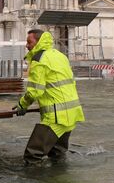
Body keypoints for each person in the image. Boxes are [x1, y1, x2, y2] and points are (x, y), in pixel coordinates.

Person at [14, 29, 85, 165]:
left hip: (55, 117)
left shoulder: (39, 60)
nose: (26, 45)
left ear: (38, 42)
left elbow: (35, 91)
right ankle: (59, 182)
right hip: (71, 114)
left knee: (32, 156)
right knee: (57, 154)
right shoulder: (60, 55)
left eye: (29, 42)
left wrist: (22, 105)